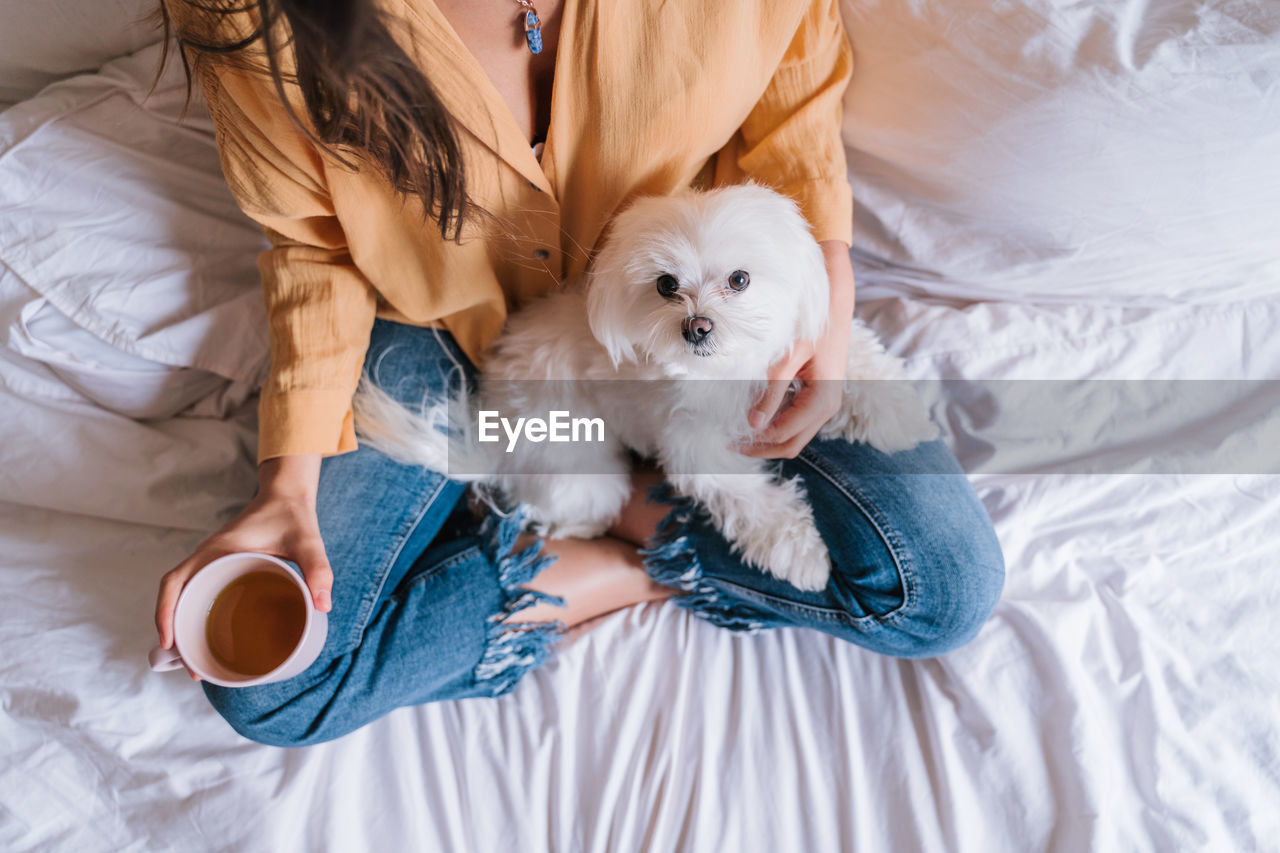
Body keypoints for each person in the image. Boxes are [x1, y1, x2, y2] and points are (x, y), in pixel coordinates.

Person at [153, 0, 1005, 747]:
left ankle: (632, 524)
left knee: (943, 586)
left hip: (704, 303)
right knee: (266, 683)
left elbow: (794, 75)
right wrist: (288, 484)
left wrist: (821, 288)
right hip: (439, 323)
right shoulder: (245, 12)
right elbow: (315, 244)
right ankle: (623, 557)